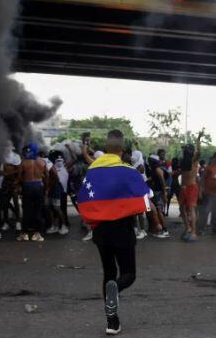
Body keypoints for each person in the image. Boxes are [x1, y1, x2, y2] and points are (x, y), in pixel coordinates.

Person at [77, 130, 150, 336]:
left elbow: (83, 198)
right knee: (128, 274)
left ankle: (112, 322)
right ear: (122, 147)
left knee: (108, 273)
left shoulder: (93, 169)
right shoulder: (129, 171)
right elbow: (145, 203)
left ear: (106, 147)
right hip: (123, 230)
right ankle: (115, 289)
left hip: (101, 232)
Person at [17, 143, 48, 242]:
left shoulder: (24, 162)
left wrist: (21, 184)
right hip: (39, 185)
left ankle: (24, 234)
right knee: (37, 210)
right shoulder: (42, 162)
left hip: (27, 185)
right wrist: (45, 188)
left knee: (27, 210)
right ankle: (37, 234)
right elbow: (46, 176)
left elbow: (19, 177)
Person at [180, 133, 203, 241]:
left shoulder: (194, 160)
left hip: (191, 187)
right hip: (183, 188)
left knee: (191, 208)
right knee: (182, 208)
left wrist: (198, 140)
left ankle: (193, 232)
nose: (185, 151)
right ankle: (188, 228)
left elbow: (199, 152)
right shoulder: (184, 161)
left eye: (187, 149)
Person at [46, 151, 70, 235]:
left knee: (59, 209)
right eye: (57, 159)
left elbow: (54, 180)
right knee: (51, 209)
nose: (59, 161)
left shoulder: (65, 167)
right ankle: (55, 226)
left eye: (61, 159)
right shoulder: (51, 167)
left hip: (61, 191)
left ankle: (63, 226)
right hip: (53, 191)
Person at [0, 152, 22, 232]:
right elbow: (1, 171)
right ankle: (6, 222)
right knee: (5, 203)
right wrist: (6, 174)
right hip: (6, 183)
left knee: (16, 203)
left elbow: (19, 171)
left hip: (14, 183)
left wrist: (17, 181)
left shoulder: (16, 156)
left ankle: (18, 221)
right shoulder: (3, 156)